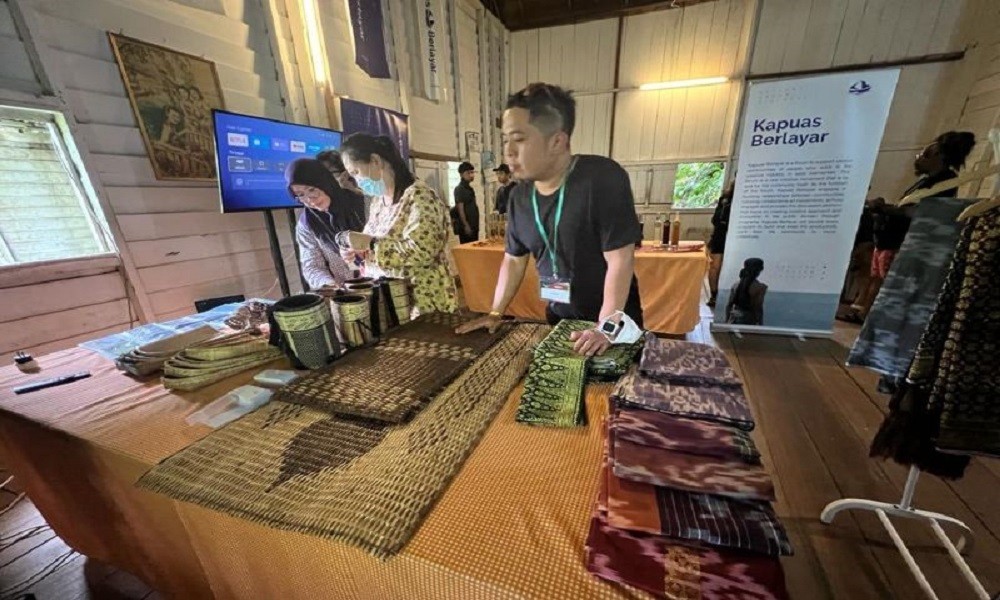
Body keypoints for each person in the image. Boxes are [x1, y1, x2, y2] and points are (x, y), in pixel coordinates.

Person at [456, 82, 644, 357]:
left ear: (557, 141)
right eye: (506, 139)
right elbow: (513, 260)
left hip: (613, 326)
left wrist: (605, 329)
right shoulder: (519, 197)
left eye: (519, 139)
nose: (509, 151)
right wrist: (496, 312)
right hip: (560, 320)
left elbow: (620, 260)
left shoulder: (601, 178)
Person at [848, 131, 975, 321]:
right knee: (877, 278)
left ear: (939, 157)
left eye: (925, 154)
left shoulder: (945, 183)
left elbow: (920, 211)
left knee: (886, 282)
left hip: (901, 243)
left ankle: (870, 317)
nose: (918, 158)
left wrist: (885, 208)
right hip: (888, 241)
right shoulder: (927, 182)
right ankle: (864, 313)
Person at [337, 133, 459, 314]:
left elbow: (422, 250)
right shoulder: (378, 201)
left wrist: (371, 244)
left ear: (375, 161)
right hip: (389, 302)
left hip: (422, 300)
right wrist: (358, 251)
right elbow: (377, 244)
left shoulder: (420, 196)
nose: (357, 181)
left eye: (356, 172)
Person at [285, 158, 366, 290]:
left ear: (324, 183)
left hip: (381, 283)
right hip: (346, 294)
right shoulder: (307, 224)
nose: (310, 199)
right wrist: (329, 284)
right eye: (300, 195)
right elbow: (312, 266)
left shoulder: (363, 203)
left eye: (312, 189)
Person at [317, 148, 371, 219]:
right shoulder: (316, 204)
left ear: (345, 174)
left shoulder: (363, 196)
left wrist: (352, 191)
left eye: (328, 173)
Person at [707, 177, 735, 308]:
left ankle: (729, 295)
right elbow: (716, 219)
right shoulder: (725, 199)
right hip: (720, 235)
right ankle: (714, 295)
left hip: (735, 236)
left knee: (728, 266)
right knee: (715, 266)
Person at [726, 258, 766, 326]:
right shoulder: (760, 287)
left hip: (734, 320)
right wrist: (760, 325)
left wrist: (727, 321)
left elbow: (729, 305)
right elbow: (758, 309)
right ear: (759, 270)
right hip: (749, 322)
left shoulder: (736, 285)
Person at [452, 161, 479, 243]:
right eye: (468, 173)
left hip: (474, 225)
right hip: (466, 227)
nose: (471, 175)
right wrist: (466, 225)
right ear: (461, 174)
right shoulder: (459, 189)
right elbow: (460, 209)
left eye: (472, 172)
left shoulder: (470, 189)